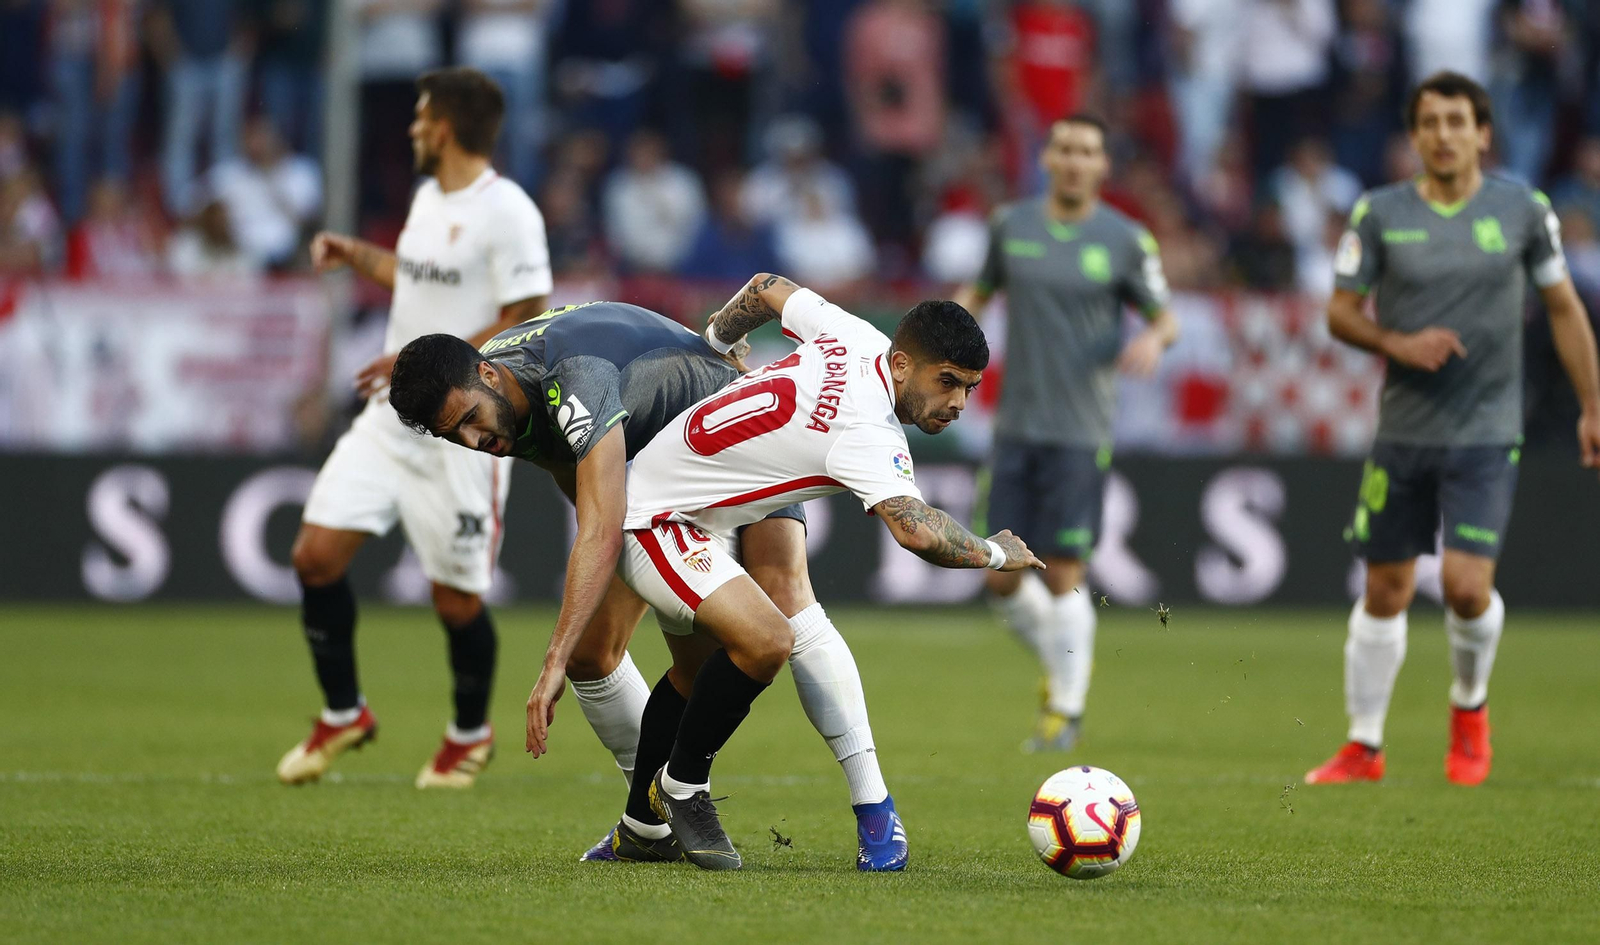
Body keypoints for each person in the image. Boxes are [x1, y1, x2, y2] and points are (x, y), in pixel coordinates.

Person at [387, 299, 912, 871]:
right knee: (597, 656)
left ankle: (874, 808)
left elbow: (597, 507)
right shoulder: (500, 395)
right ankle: (650, 822)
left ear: (487, 374)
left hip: (732, 432)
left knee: (785, 599)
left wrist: (551, 657)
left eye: (468, 419)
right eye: (452, 435)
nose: (471, 440)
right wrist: (607, 548)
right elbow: (574, 465)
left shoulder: (573, 380)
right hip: (653, 480)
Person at [597, 273, 1041, 870]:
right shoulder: (868, 429)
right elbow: (917, 531)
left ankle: (640, 828)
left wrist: (717, 338)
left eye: (969, 388)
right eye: (948, 383)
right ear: (904, 365)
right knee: (770, 639)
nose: (959, 403)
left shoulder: (855, 334)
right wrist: (995, 552)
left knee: (694, 673)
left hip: (686, 505)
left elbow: (765, 287)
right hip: (655, 522)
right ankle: (681, 788)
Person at [1307, 71, 1600, 786]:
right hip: (1404, 429)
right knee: (1385, 590)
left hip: (1486, 429)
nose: (1443, 135)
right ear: (1413, 136)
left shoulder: (1525, 210)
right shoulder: (1378, 212)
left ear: (1483, 133)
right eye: (1430, 122)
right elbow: (1339, 312)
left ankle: (1470, 708)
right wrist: (1398, 343)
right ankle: (1364, 745)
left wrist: (1593, 404)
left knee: (1467, 587)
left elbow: (1562, 308)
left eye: (1456, 122)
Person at [275, 68, 552, 790]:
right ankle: (344, 712)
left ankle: (468, 733)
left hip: (461, 430)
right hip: (389, 420)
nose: (412, 128)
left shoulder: (509, 211)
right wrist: (354, 254)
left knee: (455, 600)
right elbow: (419, 276)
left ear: (450, 126)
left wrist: (428, 359)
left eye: (422, 116)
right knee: (314, 556)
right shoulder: (429, 196)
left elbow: (531, 311)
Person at [953, 114, 1177, 753]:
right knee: (999, 576)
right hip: (1015, 428)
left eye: (1088, 150)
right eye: (1066, 149)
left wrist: (1154, 340)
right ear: (1047, 158)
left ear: (1103, 166)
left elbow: (1166, 318)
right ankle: (1063, 665)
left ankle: (1066, 709)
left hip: (1080, 431)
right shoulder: (1010, 226)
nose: (1076, 160)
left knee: (1062, 574)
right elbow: (978, 291)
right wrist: (948, 318)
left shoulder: (1127, 239)